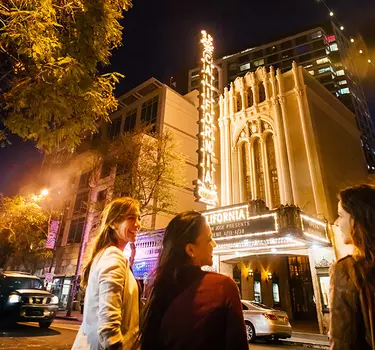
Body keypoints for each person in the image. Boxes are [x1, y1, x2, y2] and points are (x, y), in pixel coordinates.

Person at [136, 211, 248, 350]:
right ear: (190, 250)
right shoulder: (223, 287)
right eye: (209, 239)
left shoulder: (158, 290)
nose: (214, 244)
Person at [72, 197, 141, 350]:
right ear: (113, 223)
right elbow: (109, 327)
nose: (138, 224)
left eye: (138, 217)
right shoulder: (113, 257)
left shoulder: (106, 255)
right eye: (131, 218)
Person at [330, 184, 375, 350]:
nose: (336, 223)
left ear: (356, 218)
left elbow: (343, 344)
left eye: (341, 215)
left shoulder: (347, 270)